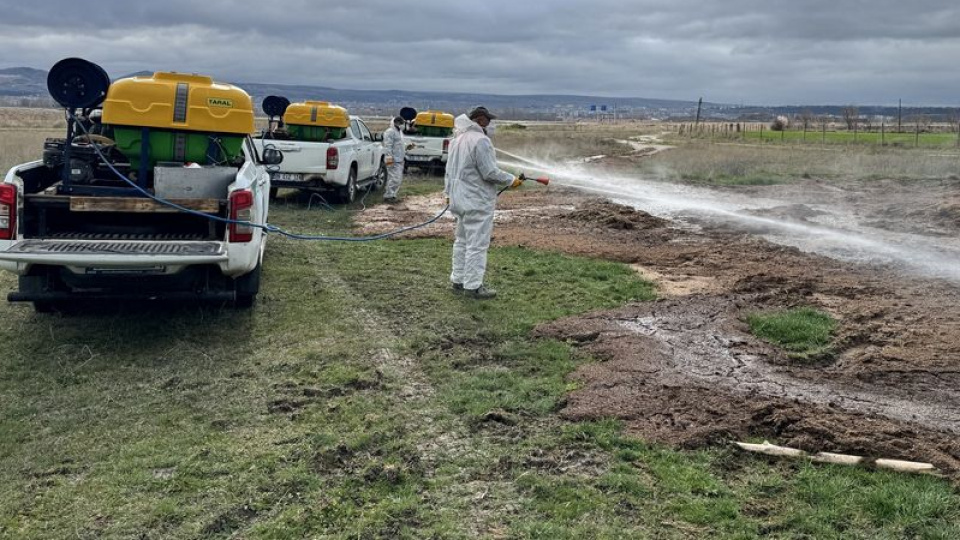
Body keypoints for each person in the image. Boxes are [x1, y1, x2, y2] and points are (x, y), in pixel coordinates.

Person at [445, 106, 522, 299]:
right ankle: (473, 286)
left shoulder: (456, 140)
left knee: (461, 241)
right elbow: (489, 172)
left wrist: (447, 193)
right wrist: (511, 180)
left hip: (458, 199)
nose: (490, 124)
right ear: (480, 120)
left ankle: (458, 280)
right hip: (476, 200)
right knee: (477, 244)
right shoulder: (481, 141)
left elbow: (449, 171)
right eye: (488, 120)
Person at [382, 116, 410, 204]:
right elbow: (387, 145)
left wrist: (407, 147)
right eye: (400, 123)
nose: (402, 125)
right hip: (392, 160)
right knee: (394, 179)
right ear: (396, 123)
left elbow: (400, 145)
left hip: (399, 159)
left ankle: (393, 195)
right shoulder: (390, 132)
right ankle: (388, 196)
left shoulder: (399, 132)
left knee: (398, 179)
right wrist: (389, 158)